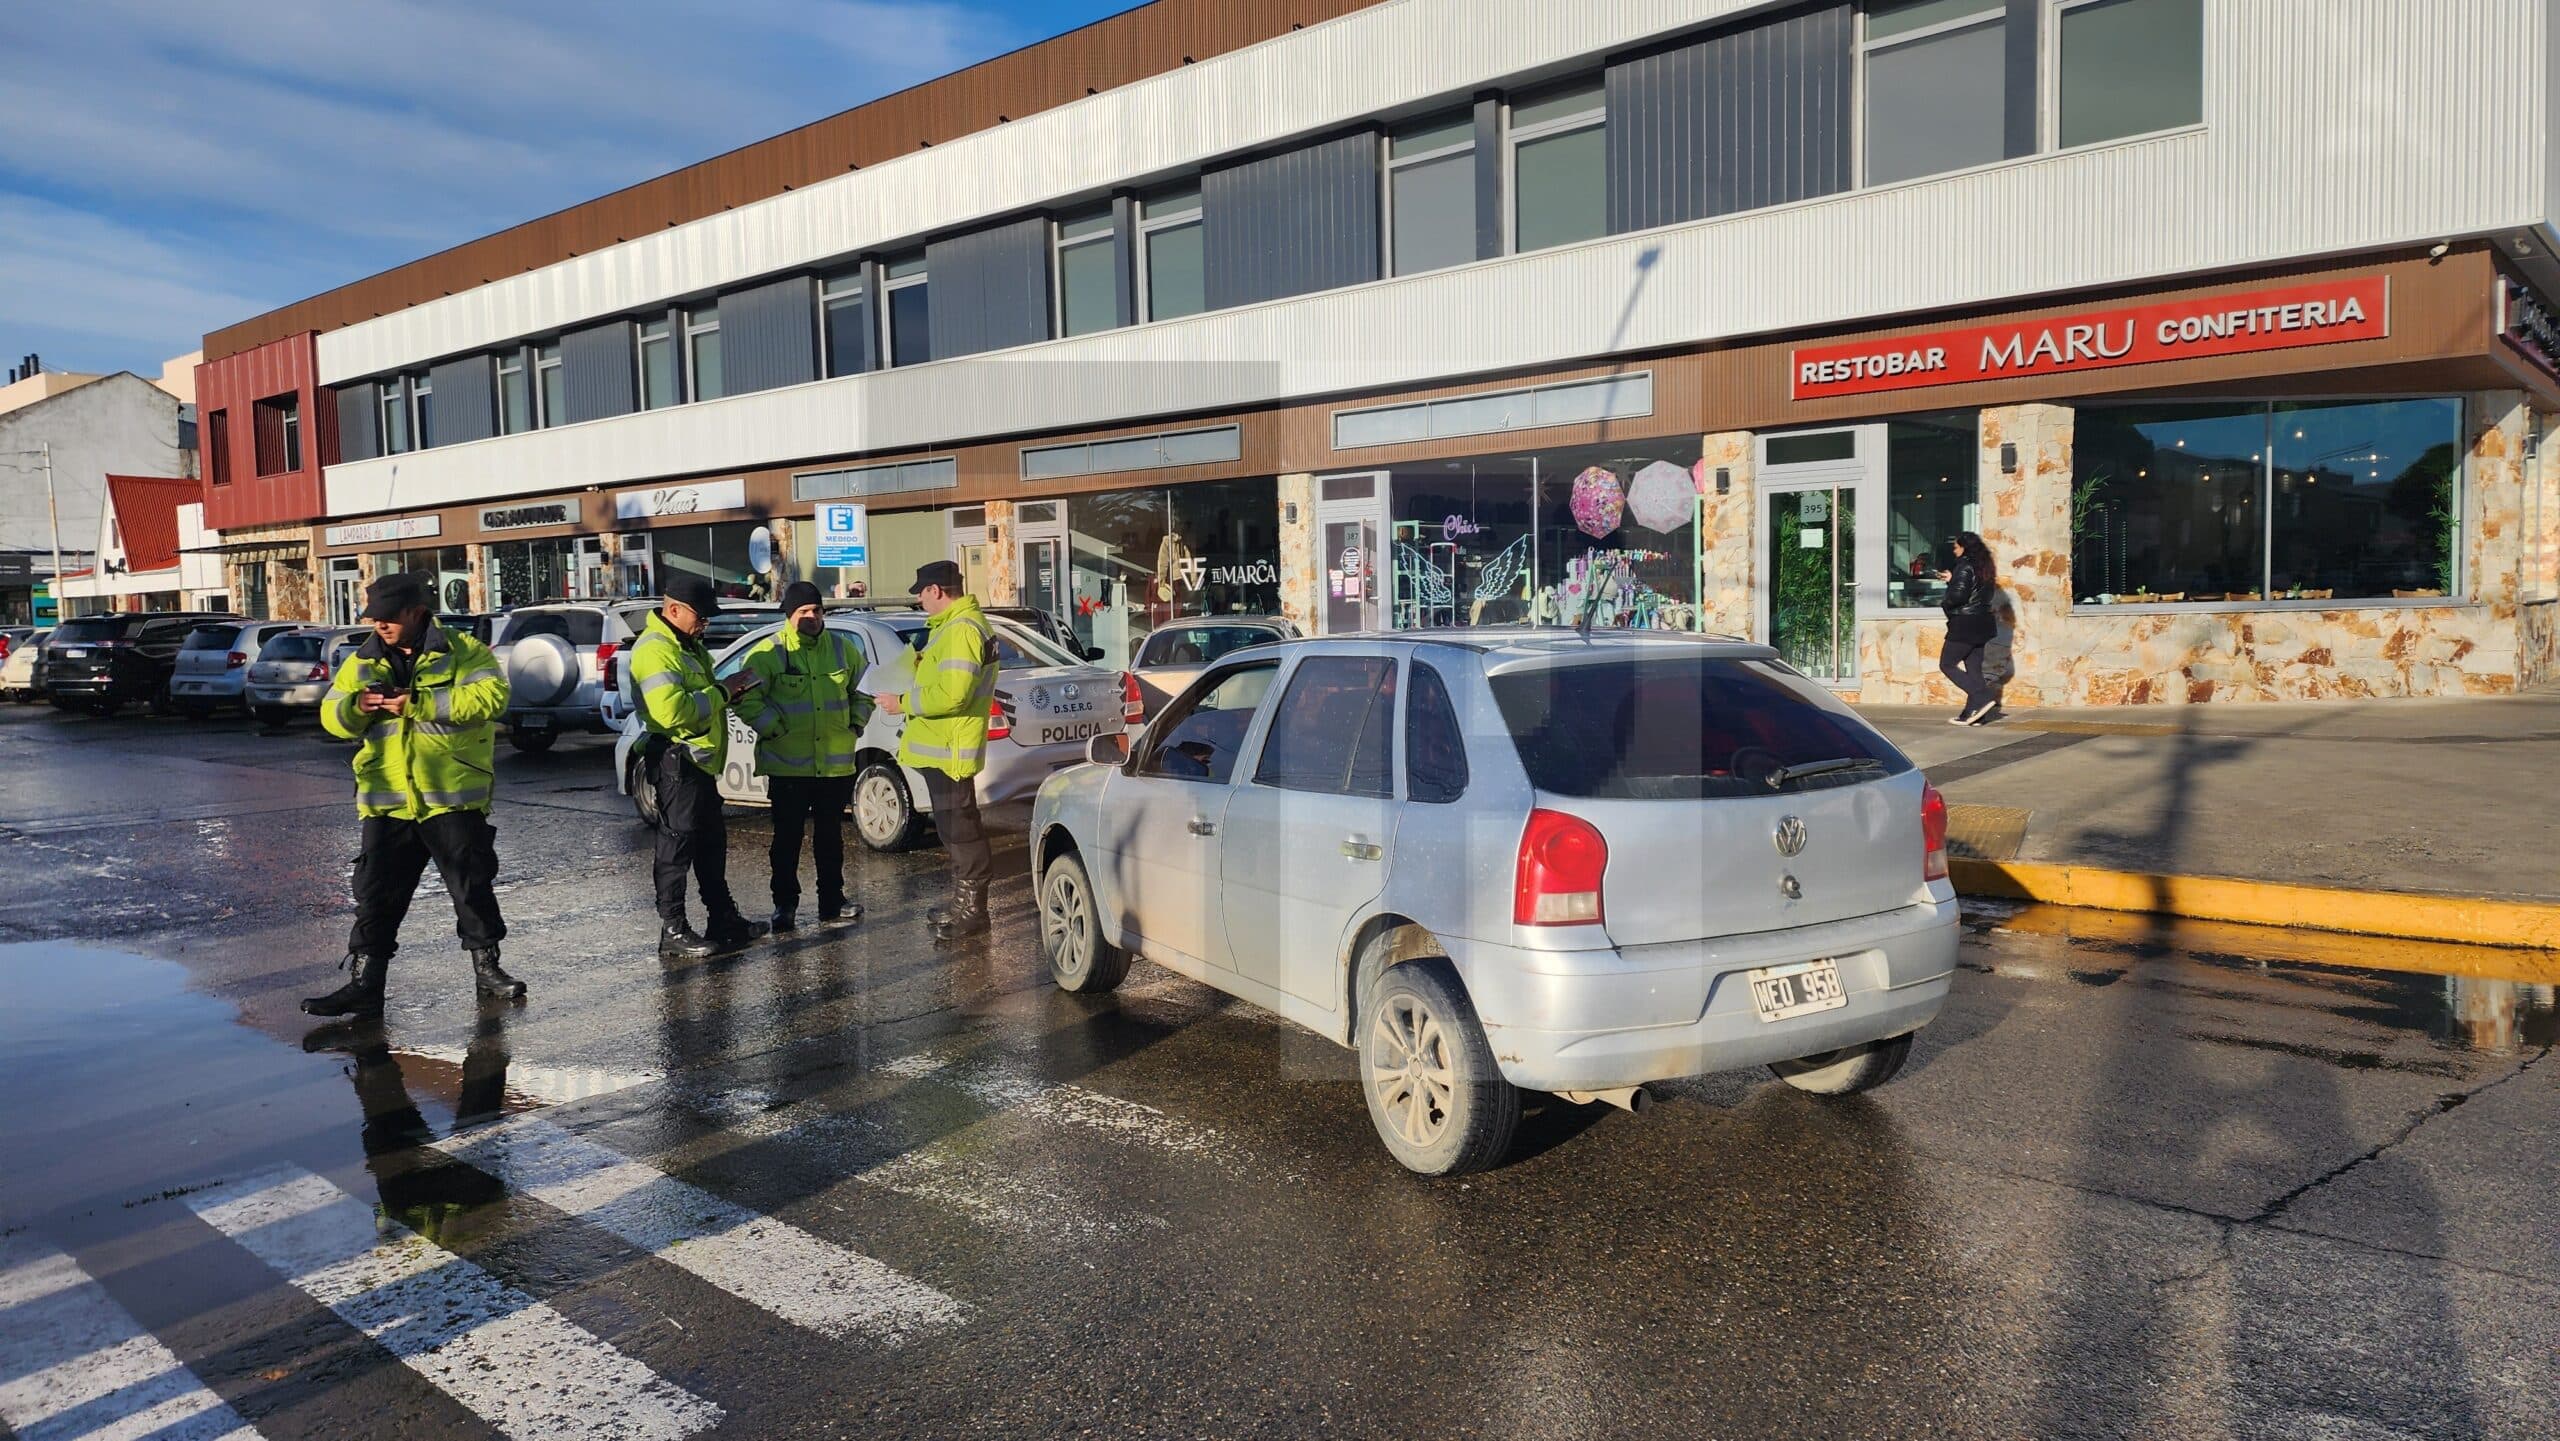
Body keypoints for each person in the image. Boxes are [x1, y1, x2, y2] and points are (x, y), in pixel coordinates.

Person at [302, 572, 522, 1018]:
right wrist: (355, 707)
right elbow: (330, 714)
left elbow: (491, 699)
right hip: (388, 800)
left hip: (450, 797)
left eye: (389, 617)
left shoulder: (464, 651)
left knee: (471, 888)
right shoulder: (362, 660)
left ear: (416, 612)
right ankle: (365, 983)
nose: (379, 625)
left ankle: (488, 972)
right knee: (375, 895)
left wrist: (418, 704)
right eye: (374, 618)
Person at [631, 573, 771, 958]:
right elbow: (672, 711)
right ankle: (673, 929)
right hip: (677, 759)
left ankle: (722, 918)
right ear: (674, 610)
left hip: (698, 763)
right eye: (701, 616)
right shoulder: (655, 650)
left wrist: (730, 691)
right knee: (676, 847)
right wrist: (724, 691)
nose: (705, 623)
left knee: (711, 844)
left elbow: (703, 697)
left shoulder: (686, 645)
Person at [734, 580, 868, 932]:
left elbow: (862, 691)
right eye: (804, 611)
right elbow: (744, 698)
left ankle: (832, 901)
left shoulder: (841, 649)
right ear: (789, 614)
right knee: (786, 841)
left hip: (833, 765)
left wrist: (856, 723)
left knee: (831, 839)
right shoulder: (768, 653)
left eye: (817, 610)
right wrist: (774, 729)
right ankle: (785, 906)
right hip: (788, 766)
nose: (812, 617)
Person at [875, 560, 998, 940]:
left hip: (950, 747)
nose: (919, 600)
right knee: (952, 829)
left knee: (961, 831)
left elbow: (954, 694)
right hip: (945, 746)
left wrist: (902, 702)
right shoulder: (953, 626)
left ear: (936, 590)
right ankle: (962, 904)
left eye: (921, 592)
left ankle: (972, 912)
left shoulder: (961, 629)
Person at [1935, 531, 2002, 725]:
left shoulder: (1964, 566)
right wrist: (1952, 579)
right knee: (1974, 669)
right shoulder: (1984, 566)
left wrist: (1945, 602)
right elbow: (1974, 590)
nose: (1954, 551)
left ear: (1964, 547)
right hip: (1982, 623)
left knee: (1947, 664)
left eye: (1956, 547)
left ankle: (1982, 696)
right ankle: (1974, 714)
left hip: (1965, 624)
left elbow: (1958, 596)